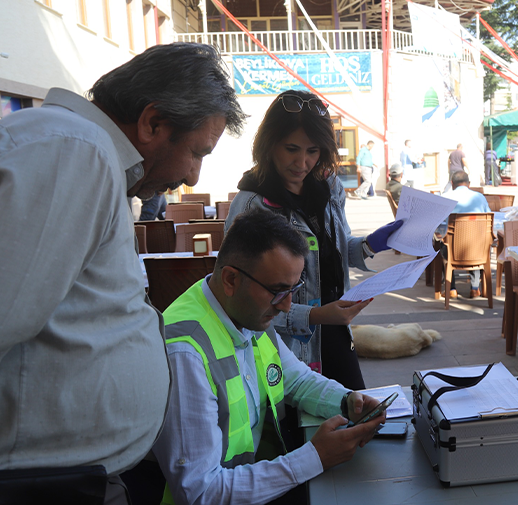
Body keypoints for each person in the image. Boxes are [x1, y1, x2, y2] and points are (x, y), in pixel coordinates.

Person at [0, 42, 245, 503]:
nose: (193, 176)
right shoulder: (72, 151)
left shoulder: (79, 152)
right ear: (153, 123)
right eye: (197, 152)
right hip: (45, 485)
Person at [153, 209, 384, 505]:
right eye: (278, 292)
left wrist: (346, 401)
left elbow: (296, 380)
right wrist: (314, 457)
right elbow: (200, 492)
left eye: (293, 289)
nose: (287, 306)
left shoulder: (246, 311)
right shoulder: (185, 353)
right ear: (231, 279)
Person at [226, 89, 402, 390]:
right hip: (284, 347)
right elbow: (243, 300)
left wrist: (373, 243)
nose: (302, 163)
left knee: (356, 416)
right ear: (269, 145)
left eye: (313, 151)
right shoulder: (252, 204)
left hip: (335, 331)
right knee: (306, 429)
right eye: (291, 149)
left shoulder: (328, 187)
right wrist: (316, 314)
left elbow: (337, 249)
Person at [437, 171, 491, 299]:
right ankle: (475, 288)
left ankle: (452, 289)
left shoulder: (445, 197)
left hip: (453, 251)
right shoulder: (480, 197)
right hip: (477, 250)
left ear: (452, 184)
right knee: (476, 243)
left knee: (444, 245)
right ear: (469, 184)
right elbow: (489, 219)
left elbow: (438, 224)